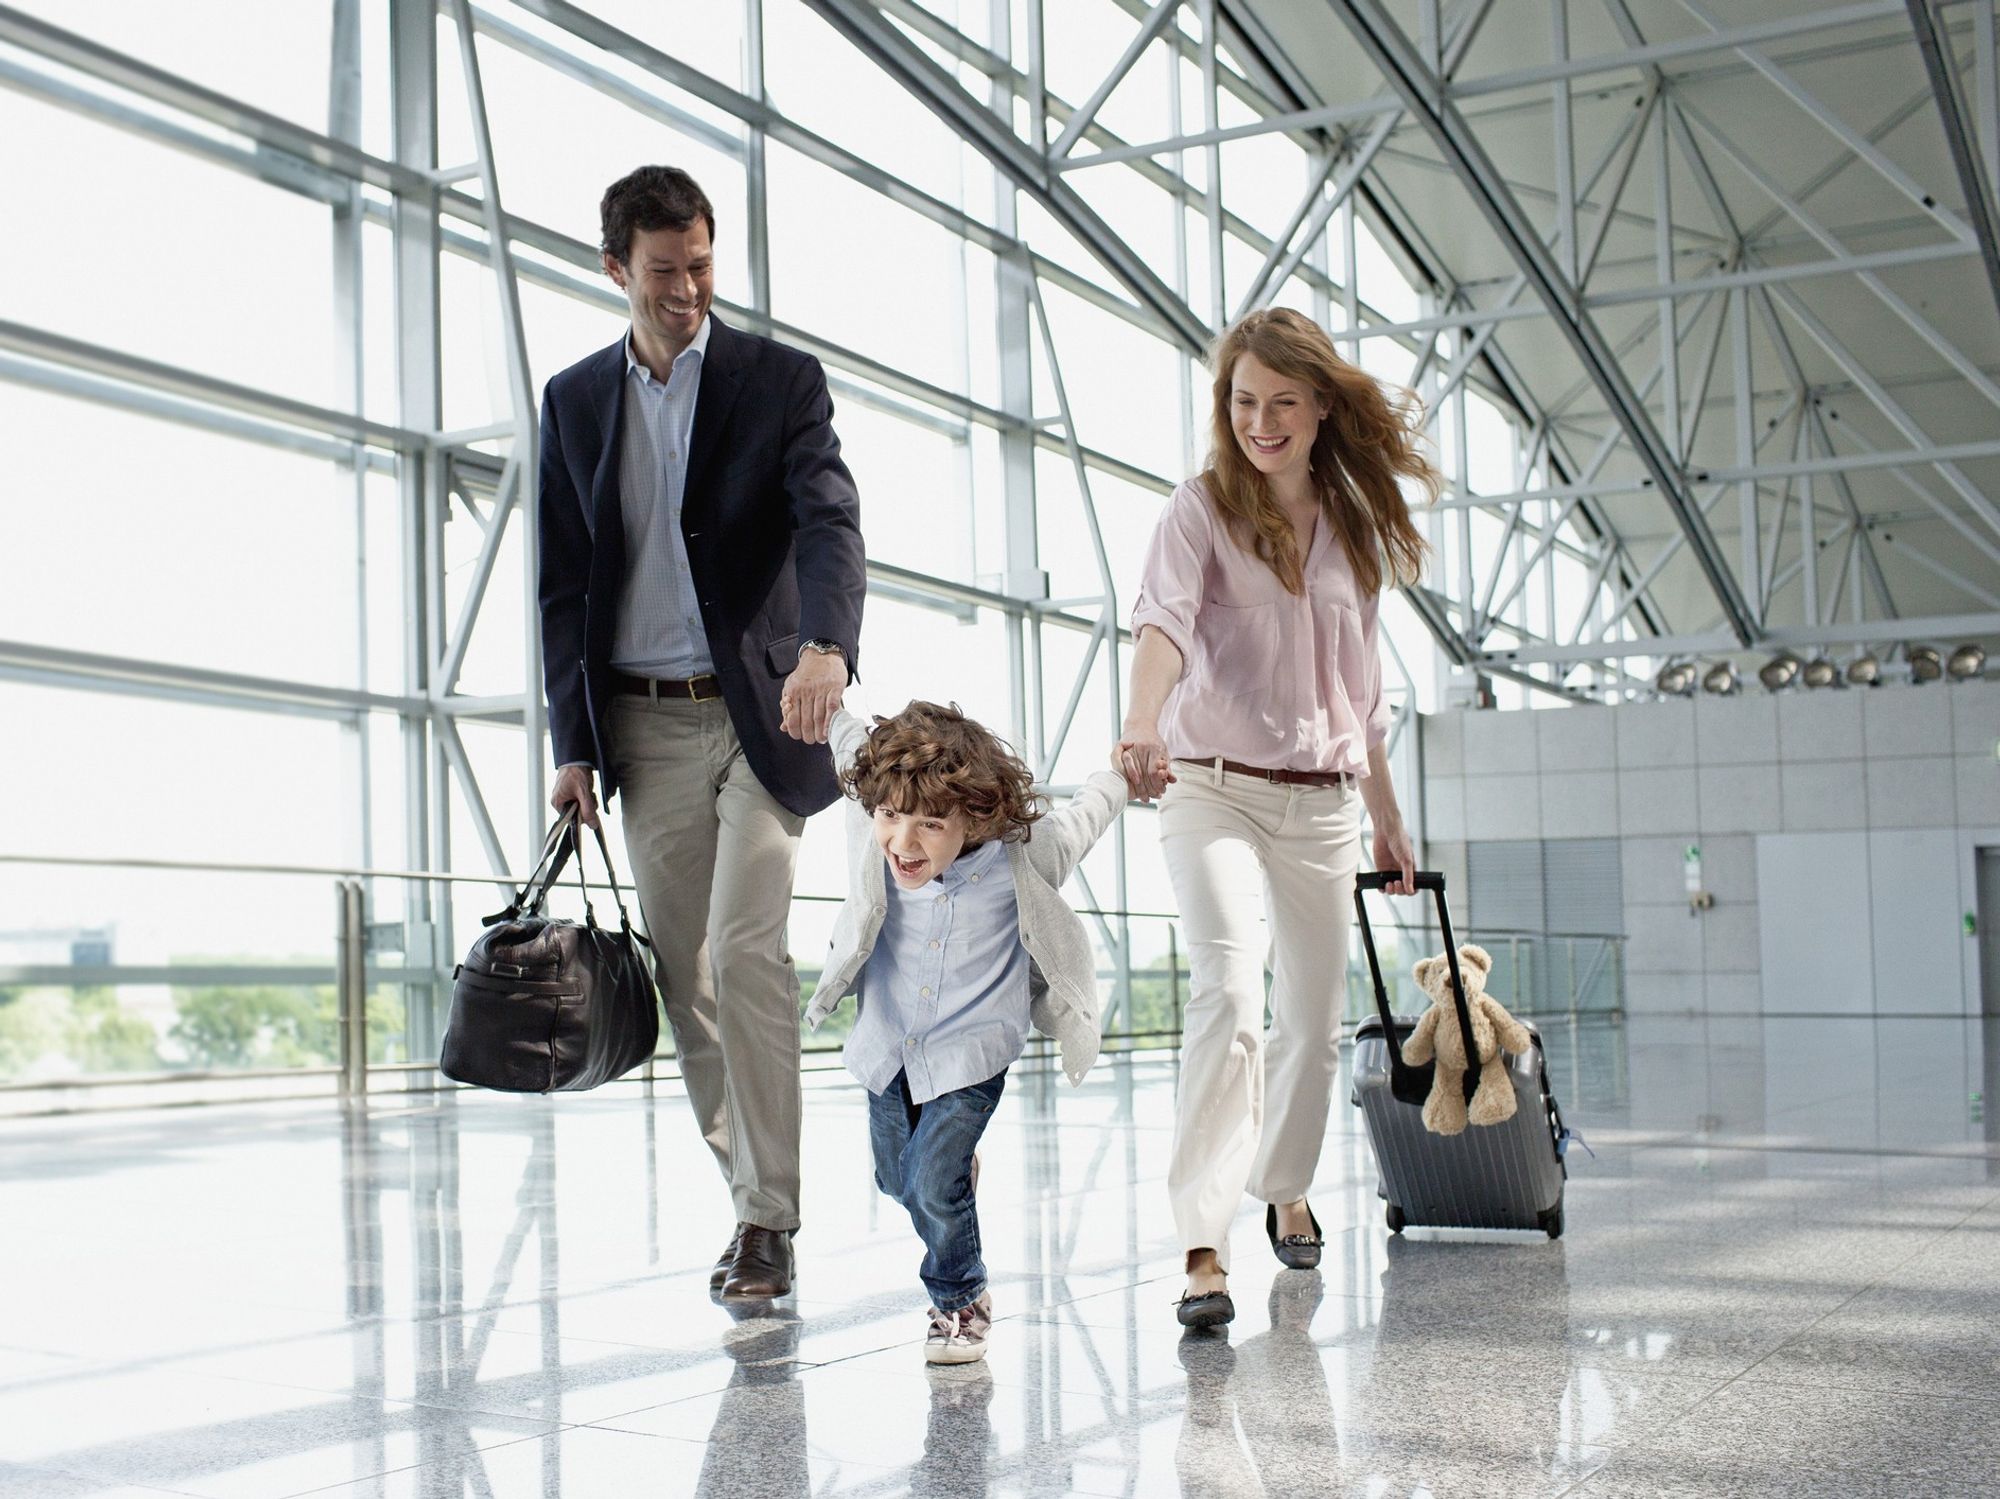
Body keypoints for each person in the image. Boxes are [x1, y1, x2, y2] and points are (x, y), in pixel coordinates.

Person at [537, 165, 866, 1299]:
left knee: (742, 946)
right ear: (615, 268)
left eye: (702, 266)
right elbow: (563, 584)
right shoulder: (576, 401)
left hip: (765, 713)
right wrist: (572, 743)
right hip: (642, 725)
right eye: (664, 271)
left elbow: (829, 519)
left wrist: (826, 646)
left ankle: (770, 1219)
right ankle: (748, 1193)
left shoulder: (779, 381)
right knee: (690, 977)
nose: (686, 290)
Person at [1115, 307, 1433, 1328]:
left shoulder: (1350, 527)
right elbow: (1162, 624)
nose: (1260, 422)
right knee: (1226, 992)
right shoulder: (1200, 509)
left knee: (1310, 1017)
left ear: (1321, 405)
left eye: (1282, 402)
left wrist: (1387, 818)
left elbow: (1363, 695)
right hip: (1209, 784)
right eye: (1244, 401)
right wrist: (1140, 719)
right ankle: (1202, 1244)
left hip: (1324, 800)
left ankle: (1283, 1181)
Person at [806, 701, 1127, 1363]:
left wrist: (1123, 774)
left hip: (972, 1051)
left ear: (976, 817)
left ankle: (959, 1298)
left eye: (930, 824)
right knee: (897, 1179)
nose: (903, 842)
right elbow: (849, 742)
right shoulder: (873, 825)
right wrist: (825, 702)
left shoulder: (1024, 857)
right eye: (890, 816)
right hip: (888, 1044)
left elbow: (1087, 816)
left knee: (930, 1183)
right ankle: (953, 1172)